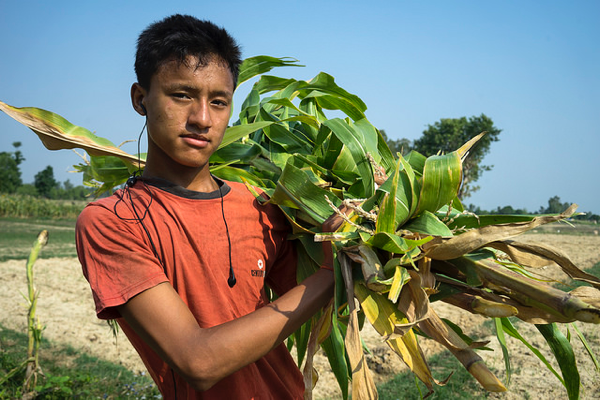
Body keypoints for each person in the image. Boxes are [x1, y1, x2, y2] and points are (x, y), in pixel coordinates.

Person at [75, 14, 335, 399]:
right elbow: (198, 362)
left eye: (218, 102)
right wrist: (331, 274)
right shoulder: (112, 222)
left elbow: (310, 304)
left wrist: (353, 238)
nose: (201, 119)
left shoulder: (260, 204)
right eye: (182, 95)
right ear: (140, 98)